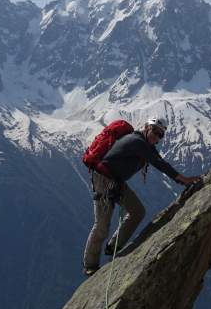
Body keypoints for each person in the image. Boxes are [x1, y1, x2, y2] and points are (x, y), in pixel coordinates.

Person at [82, 118, 201, 276]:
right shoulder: (136, 142)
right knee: (102, 226)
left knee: (138, 211)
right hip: (104, 180)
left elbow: (159, 160)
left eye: (160, 135)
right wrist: (183, 179)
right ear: (146, 128)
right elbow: (159, 163)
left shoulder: (145, 145)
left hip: (116, 182)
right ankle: (90, 265)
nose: (156, 137)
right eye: (155, 131)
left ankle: (113, 247)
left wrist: (181, 179)